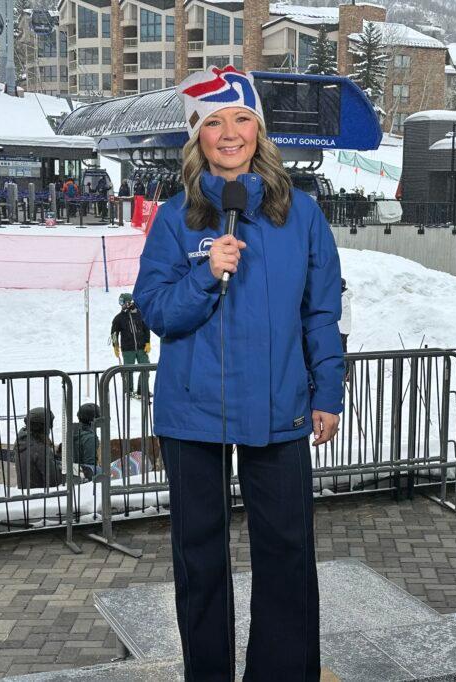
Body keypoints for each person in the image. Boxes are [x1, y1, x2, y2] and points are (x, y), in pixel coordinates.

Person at [133, 65, 343, 681]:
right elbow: (157, 312)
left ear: (260, 128)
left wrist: (325, 390)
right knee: (200, 560)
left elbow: (322, 311)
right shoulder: (177, 219)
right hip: (192, 414)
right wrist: (205, 273)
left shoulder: (301, 216)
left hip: (278, 409)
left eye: (242, 118)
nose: (231, 134)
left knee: (287, 555)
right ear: (197, 137)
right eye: (215, 123)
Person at [110, 292, 151, 399]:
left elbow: (146, 329)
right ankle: (129, 391)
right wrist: (115, 345)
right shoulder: (119, 318)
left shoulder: (140, 314)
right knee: (128, 371)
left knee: (146, 368)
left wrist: (148, 342)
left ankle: (142, 390)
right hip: (128, 349)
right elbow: (114, 333)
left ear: (129, 302)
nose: (121, 305)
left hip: (142, 348)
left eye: (123, 302)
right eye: (120, 302)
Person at [12, 407, 65, 489]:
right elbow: (54, 480)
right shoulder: (41, 449)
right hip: (40, 497)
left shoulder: (22, 441)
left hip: (26, 495)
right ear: (43, 427)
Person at [70, 402, 100, 480]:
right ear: (93, 420)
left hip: (73, 473)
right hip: (84, 478)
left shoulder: (72, 431)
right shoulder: (90, 438)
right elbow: (90, 467)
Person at [339, 277, 352, 381]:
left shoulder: (343, 298)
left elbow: (336, 312)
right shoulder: (343, 297)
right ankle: (346, 372)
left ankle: (346, 373)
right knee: (343, 350)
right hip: (343, 329)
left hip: (341, 329)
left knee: (342, 351)